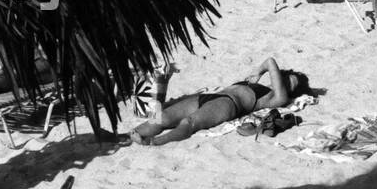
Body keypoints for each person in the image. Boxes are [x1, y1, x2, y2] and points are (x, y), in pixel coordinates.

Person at [119, 57, 308, 147]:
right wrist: (259, 75)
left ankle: (153, 141)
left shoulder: (277, 98)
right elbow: (270, 65)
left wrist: (260, 72)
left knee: (189, 123)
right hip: (214, 96)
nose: (284, 82)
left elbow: (270, 62)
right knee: (163, 116)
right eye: (288, 77)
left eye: (290, 83)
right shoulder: (258, 83)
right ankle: (130, 136)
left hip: (228, 105)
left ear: (291, 91)